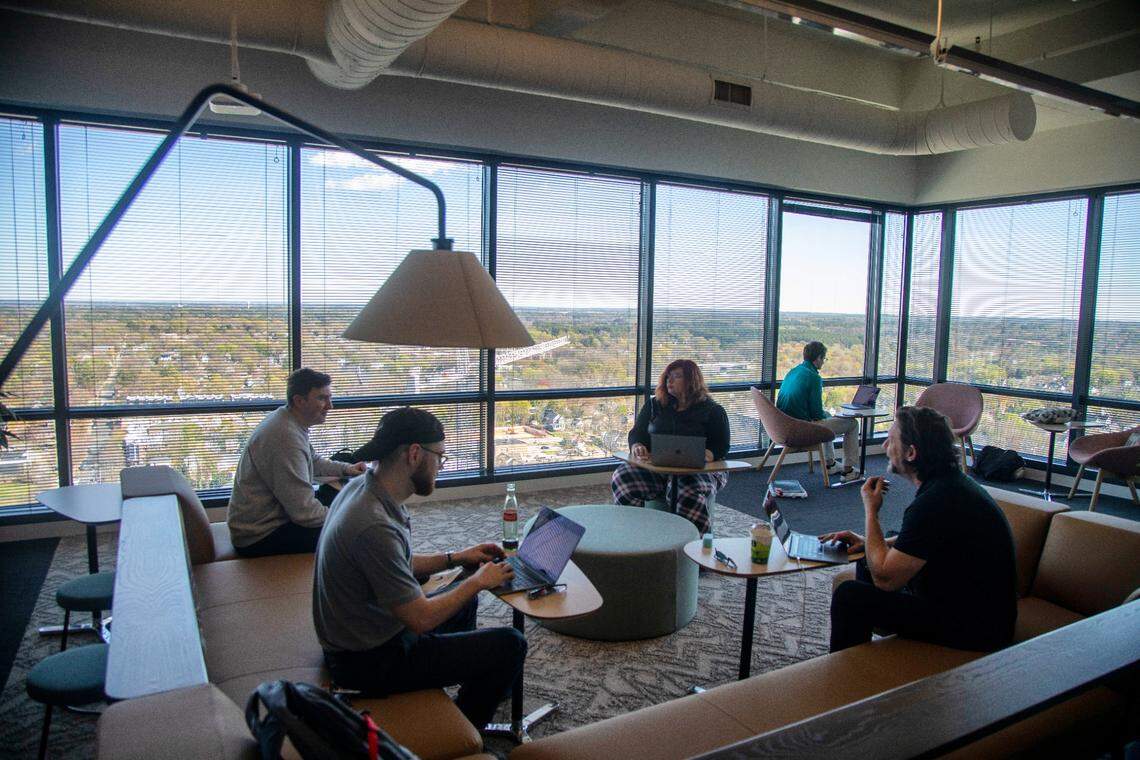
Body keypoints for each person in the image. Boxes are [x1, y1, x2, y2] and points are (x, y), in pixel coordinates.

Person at [313, 407, 527, 728]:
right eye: (439, 456)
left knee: (463, 600)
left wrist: (457, 557)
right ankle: (464, 728)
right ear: (414, 453)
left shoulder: (365, 489)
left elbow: (394, 564)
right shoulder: (373, 524)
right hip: (369, 661)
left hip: (365, 636)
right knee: (511, 644)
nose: (442, 466)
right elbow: (421, 618)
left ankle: (467, 679)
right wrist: (478, 581)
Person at [820, 405, 1017, 653]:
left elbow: (885, 579)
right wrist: (868, 540)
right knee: (874, 550)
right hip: (969, 607)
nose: (884, 447)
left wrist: (871, 510)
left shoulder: (936, 502)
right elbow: (929, 539)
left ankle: (845, 680)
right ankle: (867, 652)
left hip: (976, 629)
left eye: (890, 440)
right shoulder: (951, 485)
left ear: (911, 453)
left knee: (850, 596)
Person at [227, 368, 366, 557]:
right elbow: (305, 514)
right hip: (260, 537)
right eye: (322, 399)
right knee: (362, 532)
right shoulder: (285, 437)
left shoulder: (287, 420)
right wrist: (352, 517)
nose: (330, 406)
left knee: (343, 496)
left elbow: (314, 462)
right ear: (299, 401)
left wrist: (348, 469)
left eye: (329, 398)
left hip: (275, 520)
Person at [611, 359, 730, 535]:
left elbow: (722, 445)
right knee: (623, 476)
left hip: (700, 471)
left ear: (692, 380)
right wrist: (637, 445)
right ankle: (633, 534)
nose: (670, 381)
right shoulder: (654, 405)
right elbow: (637, 433)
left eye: (676, 377)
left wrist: (708, 454)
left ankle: (695, 548)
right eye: (668, 377)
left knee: (685, 490)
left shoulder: (713, 410)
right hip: (658, 467)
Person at [776, 341, 861, 483]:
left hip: (784, 424)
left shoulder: (793, 371)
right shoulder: (814, 377)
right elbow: (816, 414)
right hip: (801, 428)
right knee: (852, 423)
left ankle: (830, 464)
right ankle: (848, 471)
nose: (824, 362)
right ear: (818, 358)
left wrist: (827, 417)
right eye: (824, 359)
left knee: (827, 415)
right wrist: (831, 418)